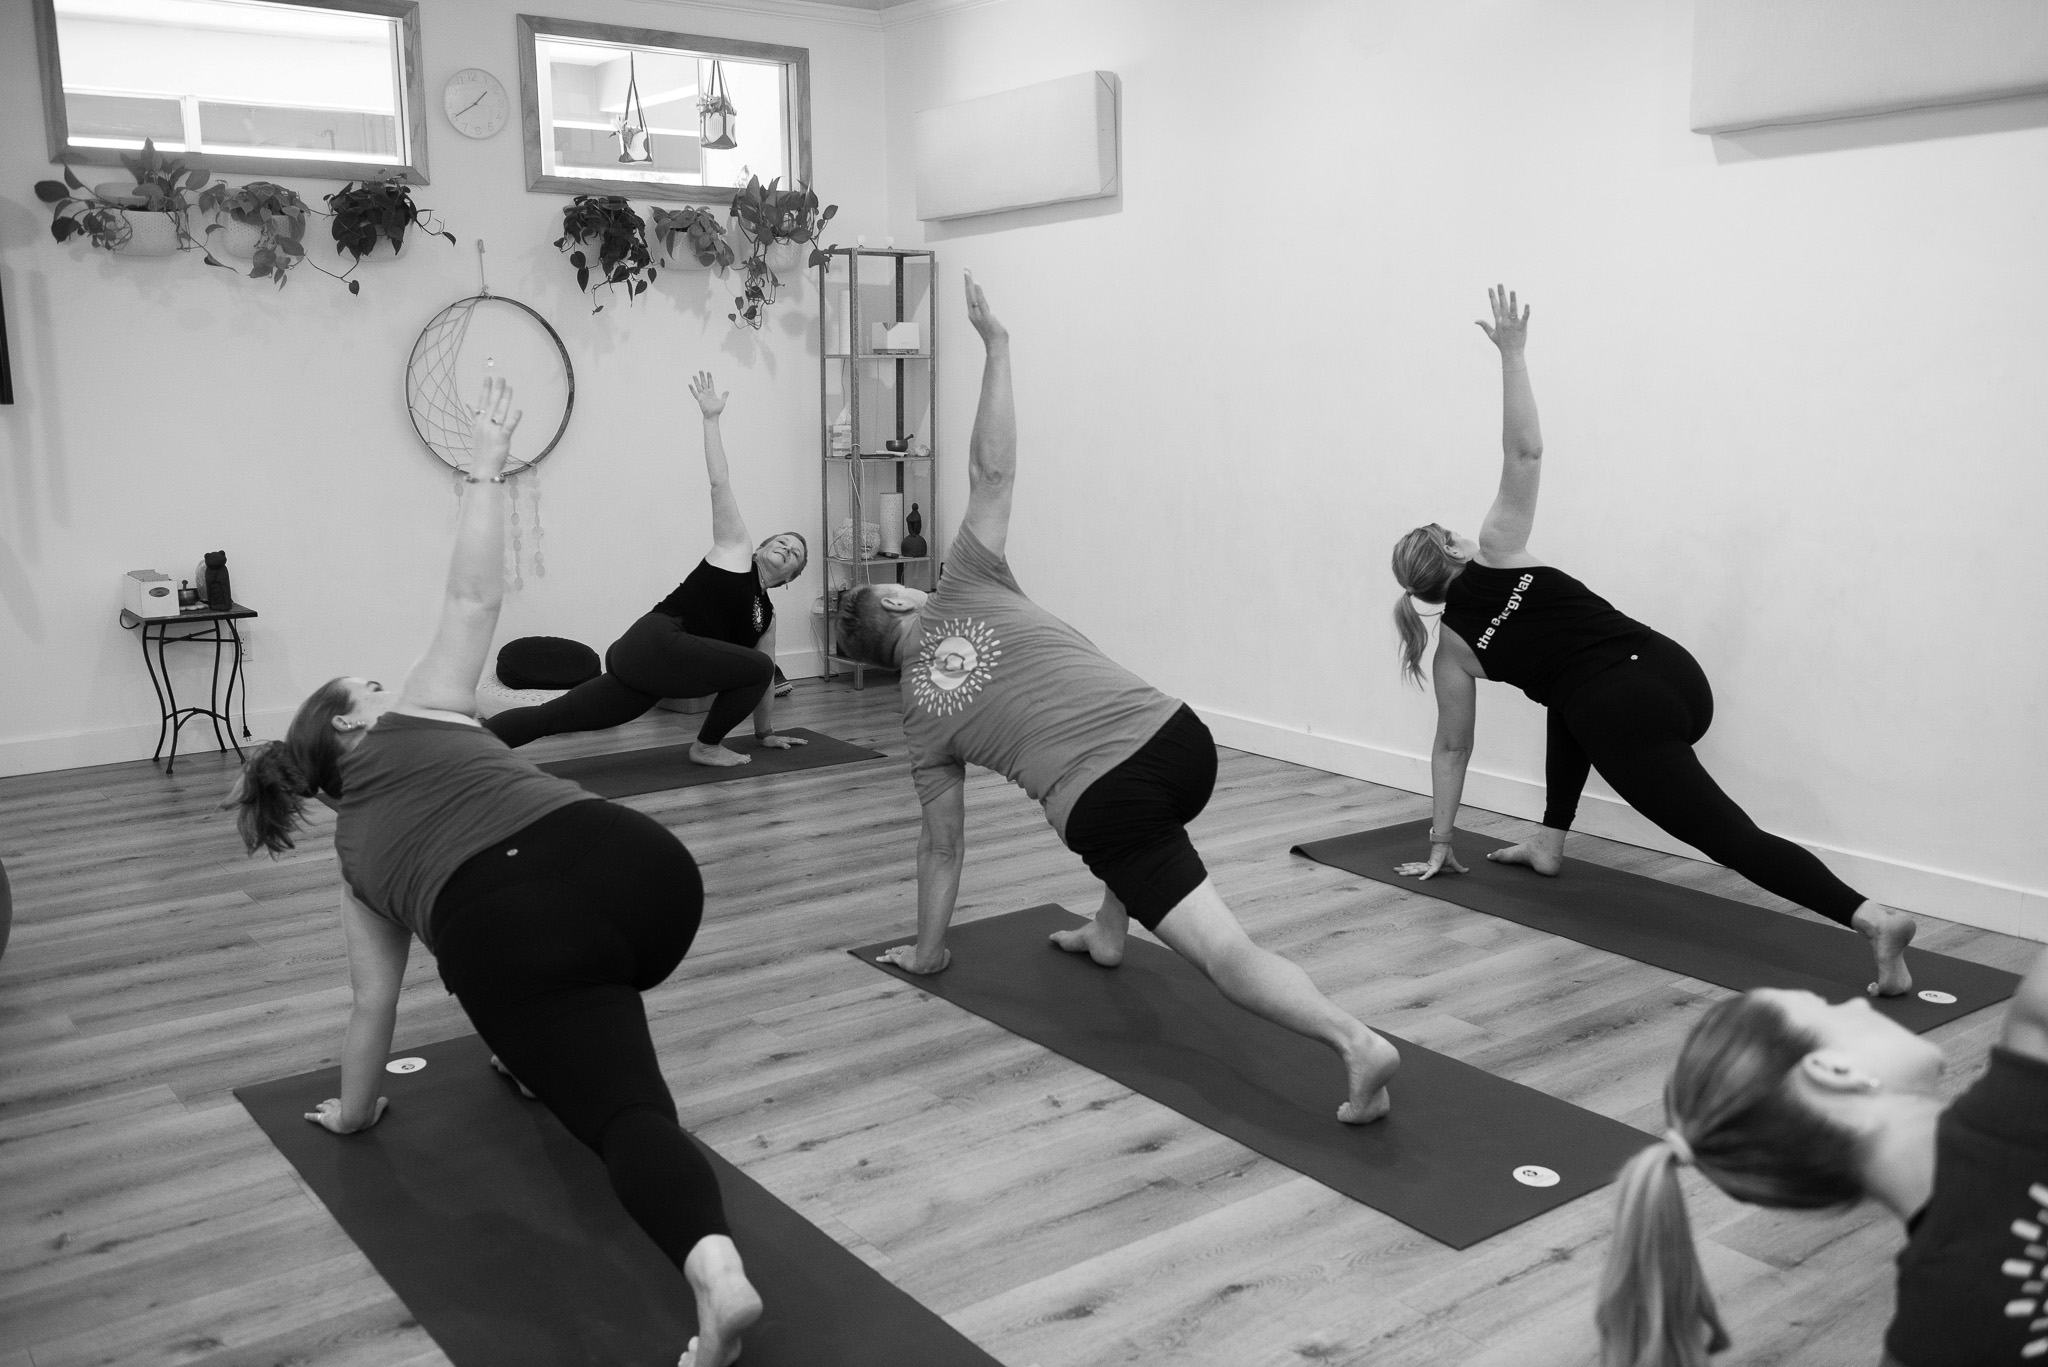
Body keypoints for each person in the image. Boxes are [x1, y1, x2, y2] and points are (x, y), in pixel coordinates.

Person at [225, 378, 758, 1367]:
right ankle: (540, 1043)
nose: (385, 683)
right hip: (643, 871)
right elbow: (473, 593)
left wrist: (352, 1112)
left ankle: (717, 1272)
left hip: (514, 932)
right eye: (366, 685)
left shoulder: (352, 861)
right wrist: (481, 471)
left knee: (623, 1111)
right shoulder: (422, 715)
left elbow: (368, 1008)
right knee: (575, 987)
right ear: (349, 721)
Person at [834, 273, 1401, 1124]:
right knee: (1140, 838)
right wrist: (998, 346)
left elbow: (943, 848)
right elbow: (993, 468)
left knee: (1222, 949)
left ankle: (1356, 1042)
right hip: (1182, 741)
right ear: (906, 603)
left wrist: (926, 952)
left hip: (1111, 798)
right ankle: (1109, 931)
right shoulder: (963, 581)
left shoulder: (918, 719)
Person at [1388, 285, 1917, 996]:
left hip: (1622, 713)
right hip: (1674, 674)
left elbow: (1452, 747)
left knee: (1726, 834)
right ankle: (1550, 840)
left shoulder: (1452, 650)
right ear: (1450, 544)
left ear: (1421, 594)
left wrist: (1443, 841)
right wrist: (1514, 355)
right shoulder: (1496, 550)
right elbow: (1526, 451)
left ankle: (1871, 918)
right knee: (1564, 691)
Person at [1594, 944, 2048, 1367]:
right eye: (1831, 1008)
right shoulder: (2033, 1059)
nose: (1855, 1005)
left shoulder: (1927, 1338)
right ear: (1833, 1071)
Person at [485, 370, 808, 767]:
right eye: (782, 542)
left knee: (552, 718)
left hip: (652, 673)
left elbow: (763, 684)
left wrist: (766, 733)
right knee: (758, 664)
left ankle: (458, 754)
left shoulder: (767, 617)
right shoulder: (735, 550)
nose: (786, 549)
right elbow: (719, 483)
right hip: (657, 641)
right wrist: (711, 420)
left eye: (794, 555)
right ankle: (706, 745)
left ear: (791, 579)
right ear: (760, 547)